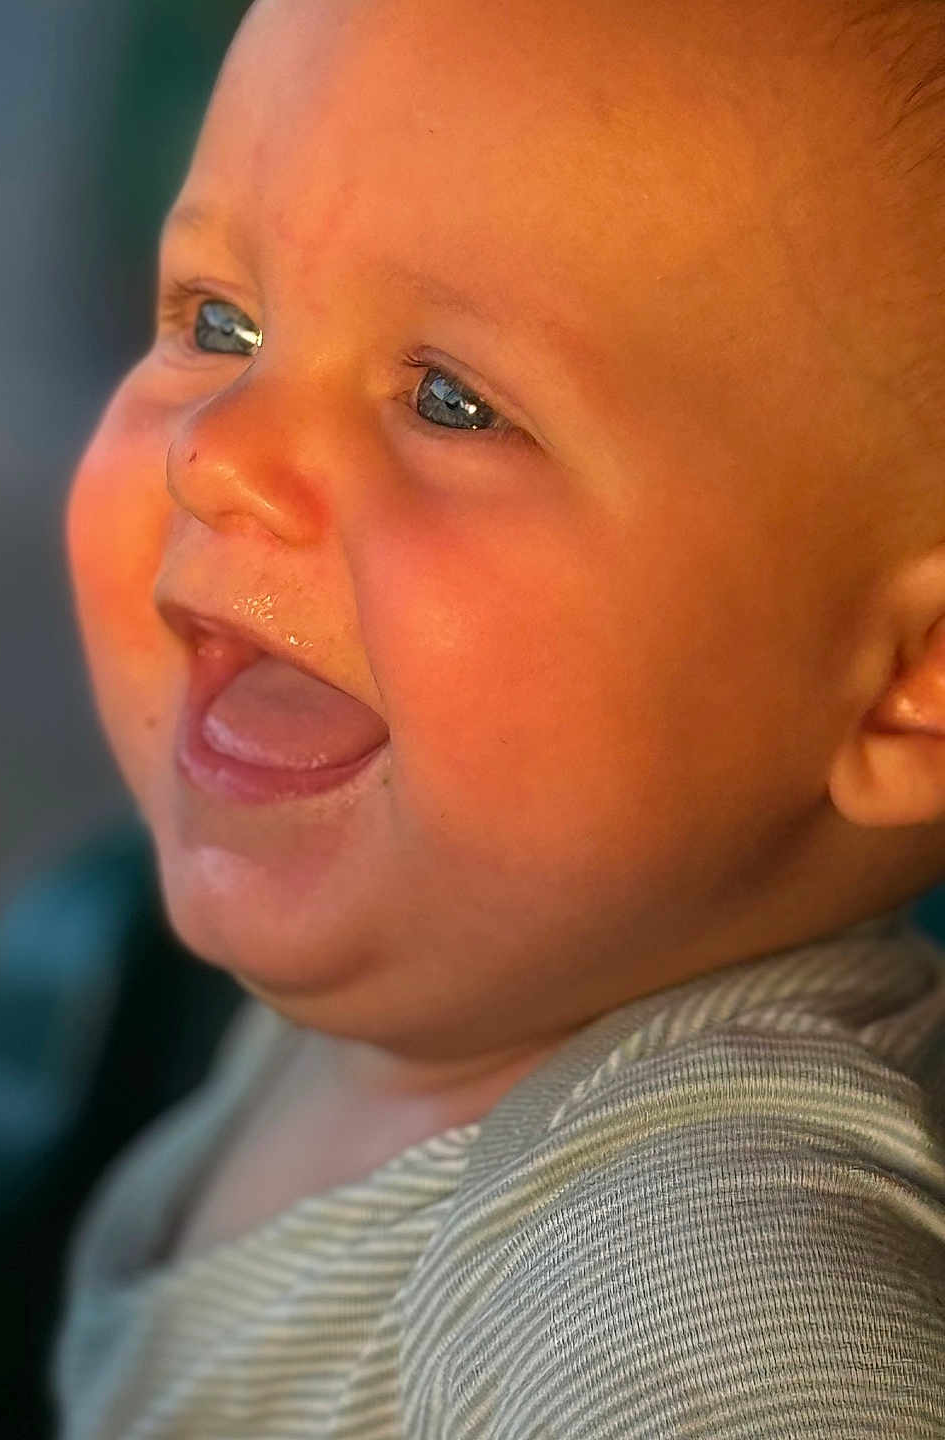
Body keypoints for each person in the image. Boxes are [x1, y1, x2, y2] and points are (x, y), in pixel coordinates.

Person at [49, 0, 945, 1432]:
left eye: (454, 403)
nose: (221, 452)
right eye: (224, 320)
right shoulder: (446, 981)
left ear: (912, 679)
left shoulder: (697, 1287)